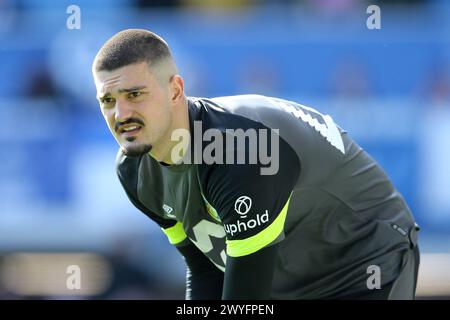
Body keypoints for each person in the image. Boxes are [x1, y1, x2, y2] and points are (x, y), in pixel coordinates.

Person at [91, 29, 420, 300]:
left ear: (176, 90)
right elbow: (206, 271)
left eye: (134, 94)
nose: (120, 115)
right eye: (108, 100)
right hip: (292, 283)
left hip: (366, 264)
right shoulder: (133, 171)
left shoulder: (241, 149)